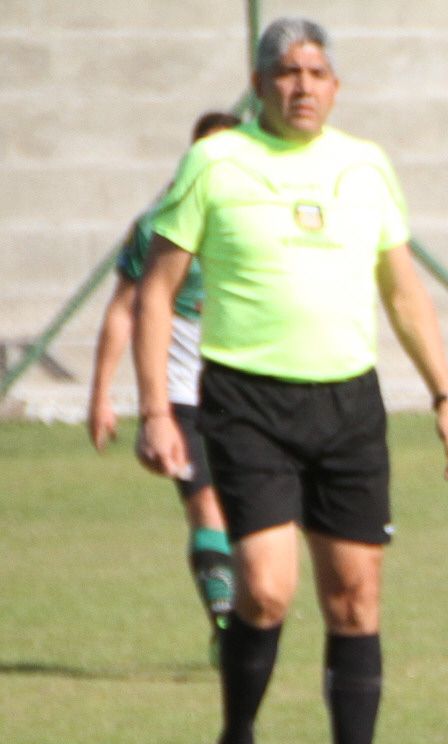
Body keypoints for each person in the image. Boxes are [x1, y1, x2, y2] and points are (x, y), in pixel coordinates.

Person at [134, 17, 448, 744]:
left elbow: (403, 291)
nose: (303, 86)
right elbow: (156, 290)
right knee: (264, 588)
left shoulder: (366, 165)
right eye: (287, 72)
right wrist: (153, 409)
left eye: (317, 72)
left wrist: (445, 395)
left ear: (337, 85)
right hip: (246, 400)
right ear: (259, 85)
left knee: (355, 596)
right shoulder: (217, 162)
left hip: (348, 405)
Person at [86, 110, 243, 664]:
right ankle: (225, 622)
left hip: (247, 390)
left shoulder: (260, 221)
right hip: (180, 397)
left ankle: (243, 610)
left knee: (252, 521)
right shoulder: (158, 224)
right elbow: (123, 310)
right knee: (205, 505)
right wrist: (102, 395)